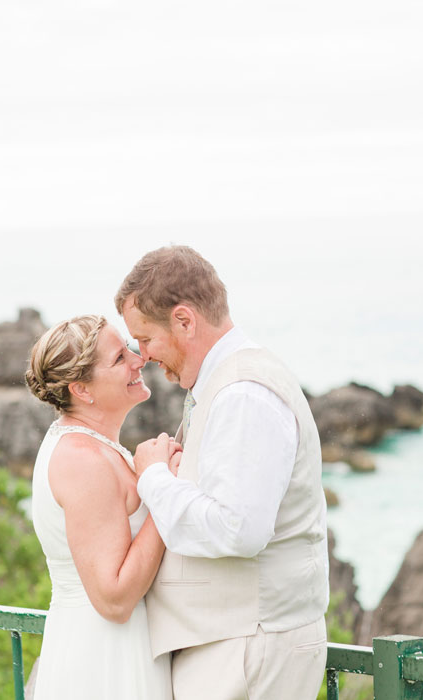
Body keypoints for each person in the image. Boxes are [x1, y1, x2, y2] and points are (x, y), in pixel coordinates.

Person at [117, 245, 329, 700]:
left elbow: (238, 530)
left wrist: (154, 477)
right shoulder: (224, 384)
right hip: (233, 642)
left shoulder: (244, 395)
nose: (145, 356)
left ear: (184, 320)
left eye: (146, 339)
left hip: (251, 648)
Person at [25, 314, 179, 700]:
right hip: (104, 660)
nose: (137, 359)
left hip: (117, 646)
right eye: (118, 358)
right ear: (82, 390)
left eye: (129, 346)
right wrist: (165, 490)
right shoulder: (82, 460)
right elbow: (113, 598)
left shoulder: (92, 444)